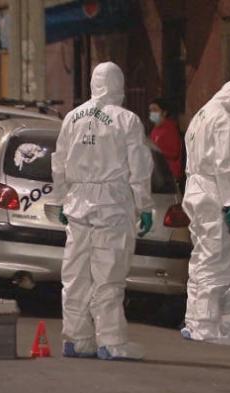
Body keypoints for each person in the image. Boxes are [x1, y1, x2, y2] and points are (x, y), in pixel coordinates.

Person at [51, 62, 154, 360]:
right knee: (108, 273)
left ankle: (76, 338)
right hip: (112, 203)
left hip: (78, 201)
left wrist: (60, 200)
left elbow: (59, 162)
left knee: (76, 274)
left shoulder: (72, 118)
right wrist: (144, 204)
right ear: (119, 84)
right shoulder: (127, 120)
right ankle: (111, 341)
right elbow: (139, 167)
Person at [180, 78, 230, 345]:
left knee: (200, 257)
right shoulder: (223, 119)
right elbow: (227, 164)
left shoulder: (200, 115)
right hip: (213, 192)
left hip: (194, 189)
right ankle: (207, 326)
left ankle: (194, 320)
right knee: (216, 259)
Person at [148, 98, 184, 182]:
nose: (152, 113)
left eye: (155, 110)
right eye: (150, 110)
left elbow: (174, 153)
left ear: (164, 113)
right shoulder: (155, 130)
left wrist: (157, 152)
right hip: (157, 169)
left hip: (168, 172)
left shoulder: (170, 129)